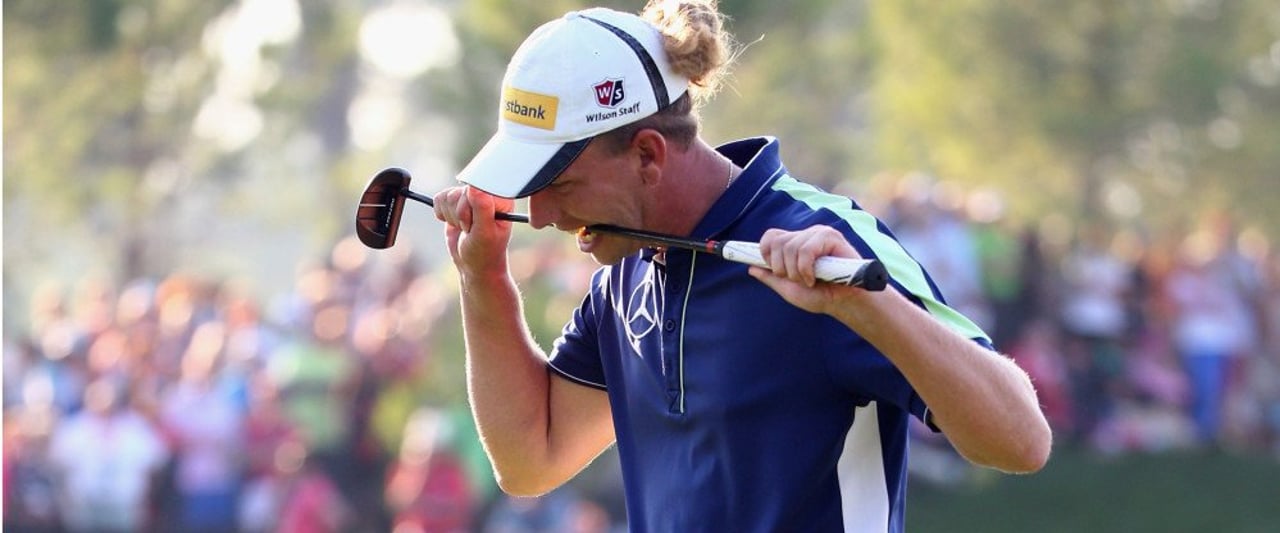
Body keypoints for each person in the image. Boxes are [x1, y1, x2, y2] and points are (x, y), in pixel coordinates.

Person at [429, 1, 1051, 531]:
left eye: (559, 184)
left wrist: (864, 306)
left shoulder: (828, 241)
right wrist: (482, 281)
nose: (538, 216)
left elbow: (1021, 440)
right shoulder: (622, 280)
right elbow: (531, 460)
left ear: (647, 154)